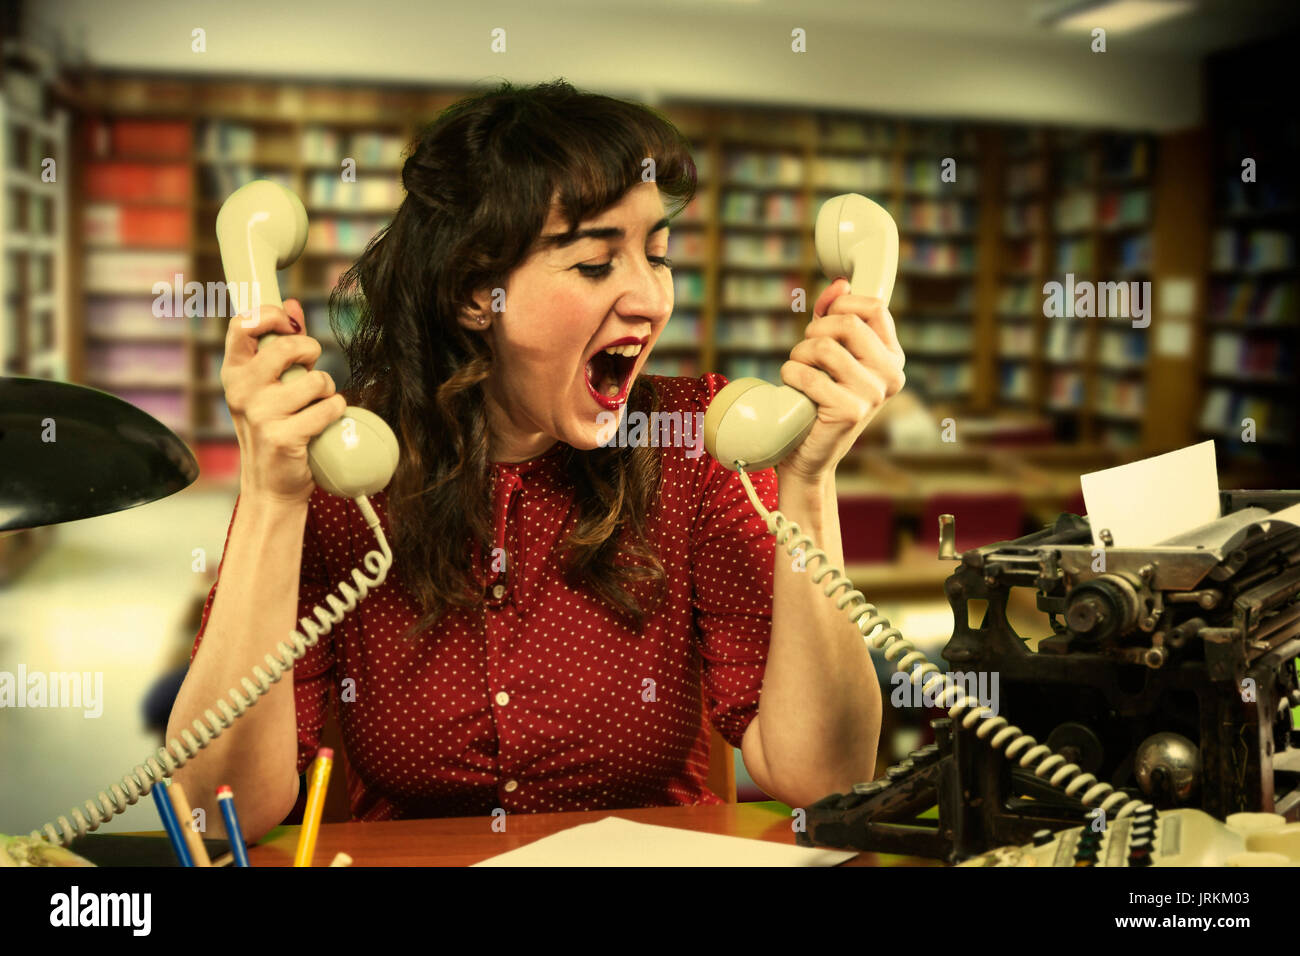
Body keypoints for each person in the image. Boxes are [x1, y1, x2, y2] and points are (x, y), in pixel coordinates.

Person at [166, 79, 906, 843]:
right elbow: (211, 815)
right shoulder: (345, 470)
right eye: (595, 263)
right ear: (471, 293)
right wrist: (271, 493)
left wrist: (810, 481)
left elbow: (827, 780)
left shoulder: (698, 443)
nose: (651, 298)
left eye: (657, 254)